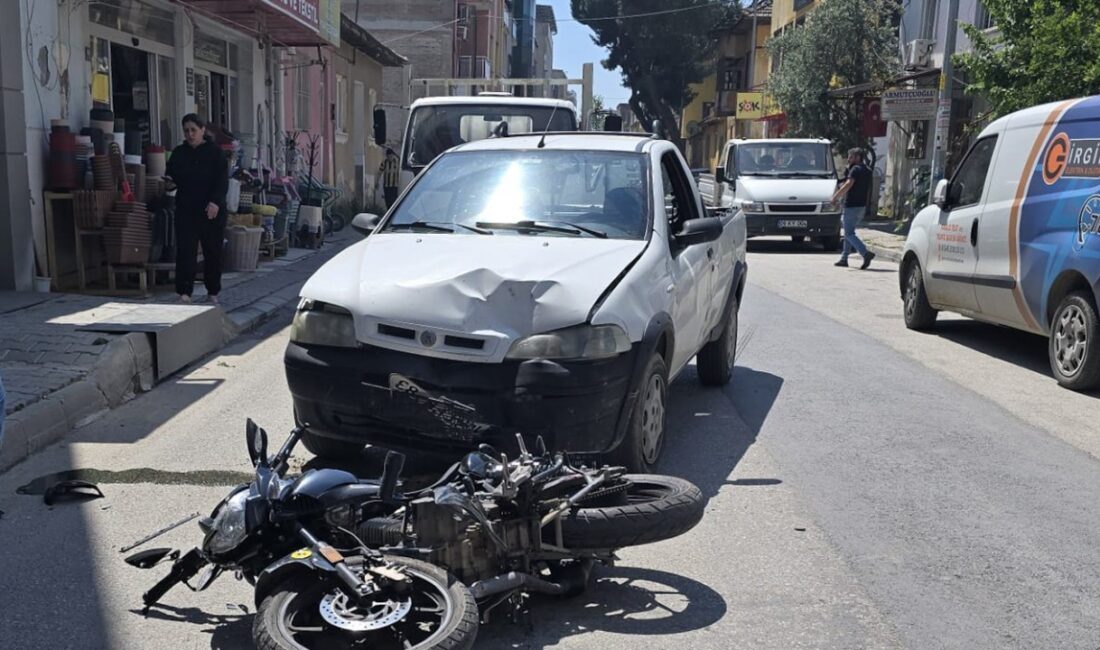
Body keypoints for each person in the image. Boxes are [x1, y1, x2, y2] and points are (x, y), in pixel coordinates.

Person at [166, 114, 228, 303]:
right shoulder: (179, 153)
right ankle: (184, 292)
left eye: (194, 130)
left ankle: (213, 292)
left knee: (212, 251)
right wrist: (168, 184)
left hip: (211, 209)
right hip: (186, 208)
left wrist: (215, 202)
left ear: (202, 130)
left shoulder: (215, 153)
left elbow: (222, 181)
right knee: (185, 251)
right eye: (187, 131)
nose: (190, 134)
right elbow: (172, 176)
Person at [832, 147, 876, 269]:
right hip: (861, 206)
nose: (849, 159)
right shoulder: (867, 170)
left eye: (851, 157)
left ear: (857, 157)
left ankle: (865, 253)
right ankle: (844, 258)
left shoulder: (855, 170)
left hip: (851, 205)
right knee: (848, 232)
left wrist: (835, 197)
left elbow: (848, 184)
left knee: (849, 233)